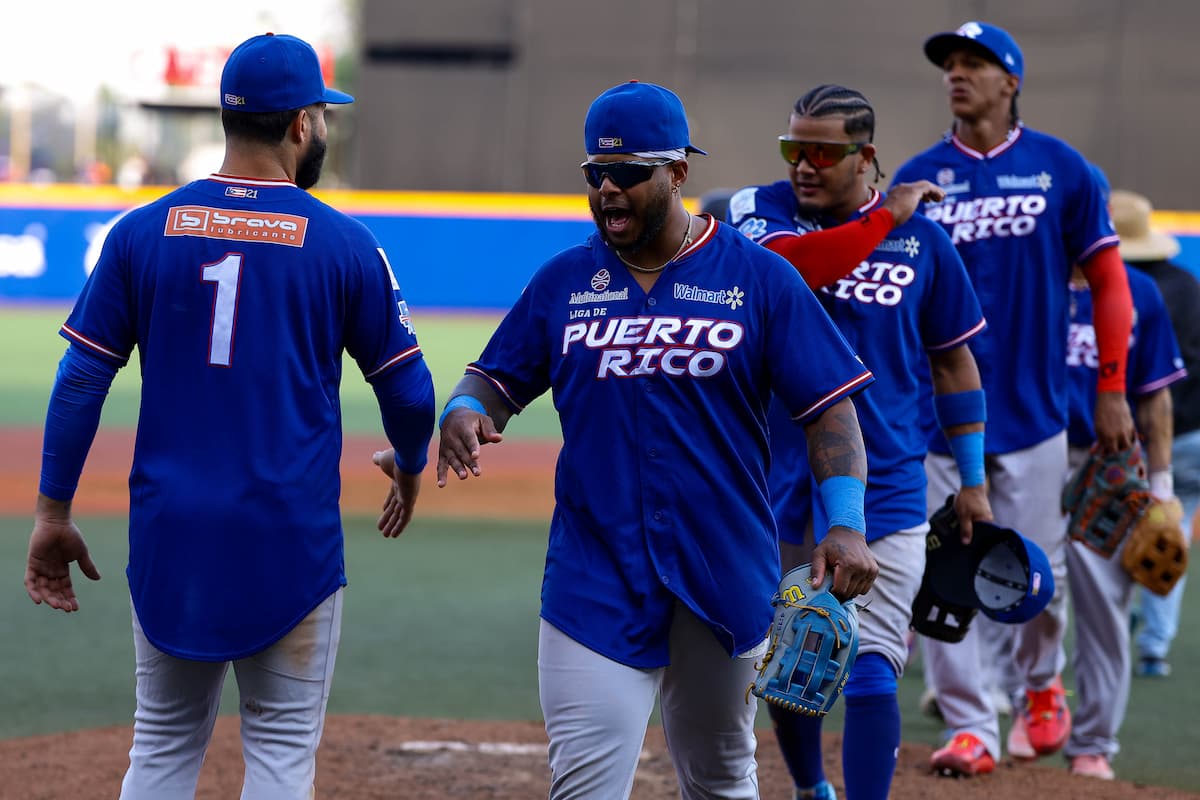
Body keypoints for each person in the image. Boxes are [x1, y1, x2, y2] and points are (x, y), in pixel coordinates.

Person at [405, 79, 878, 800]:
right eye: (595, 173)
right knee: (586, 787)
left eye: (628, 174)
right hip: (596, 574)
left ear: (678, 173)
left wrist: (844, 521)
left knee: (721, 778)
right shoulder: (565, 281)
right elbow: (493, 381)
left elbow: (831, 412)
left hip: (723, 571)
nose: (607, 191)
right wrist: (466, 412)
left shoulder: (760, 280)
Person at [23, 33, 436, 800]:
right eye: (321, 114)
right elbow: (411, 396)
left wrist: (53, 510)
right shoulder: (346, 244)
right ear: (301, 126)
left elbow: (81, 380)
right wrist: (410, 465)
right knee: (279, 752)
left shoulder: (141, 233)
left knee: (161, 746)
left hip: (172, 533)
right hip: (287, 539)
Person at [726, 83, 992, 800]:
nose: (802, 166)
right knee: (793, 659)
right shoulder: (759, 214)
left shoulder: (926, 243)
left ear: (865, 156)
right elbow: (797, 270)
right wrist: (886, 218)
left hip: (890, 484)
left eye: (822, 151)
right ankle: (811, 787)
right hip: (770, 483)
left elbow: (953, 362)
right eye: (793, 149)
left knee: (873, 660)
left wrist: (972, 480)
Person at [890, 21, 1138, 776]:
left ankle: (1039, 683)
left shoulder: (1062, 169)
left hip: (1033, 410)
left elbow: (1108, 283)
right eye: (951, 66)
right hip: (937, 416)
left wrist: (1112, 387)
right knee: (945, 573)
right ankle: (972, 725)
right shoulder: (920, 174)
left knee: (1040, 571)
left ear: (1012, 81)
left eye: (975, 64)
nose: (957, 76)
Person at [1061, 172, 1186, 780]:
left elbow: (1156, 402)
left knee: (1106, 613)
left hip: (1107, 470)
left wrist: (1161, 489)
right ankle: (1026, 705)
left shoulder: (1140, 293)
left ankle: (1093, 744)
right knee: (1011, 596)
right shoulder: (1028, 290)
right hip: (1026, 458)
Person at [1112, 188, 1200, 679]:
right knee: (1171, 534)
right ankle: (1155, 647)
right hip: (1192, 435)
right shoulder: (1188, 284)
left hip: (1139, 436)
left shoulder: (1122, 289)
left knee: (1118, 532)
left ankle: (1120, 619)